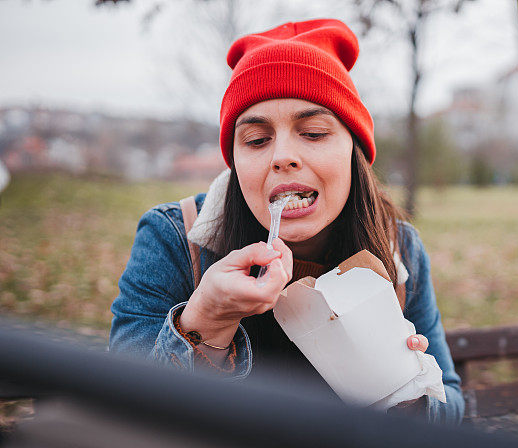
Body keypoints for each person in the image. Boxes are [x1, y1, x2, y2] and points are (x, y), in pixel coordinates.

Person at [109, 19, 463, 425]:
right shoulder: (173, 238)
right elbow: (126, 412)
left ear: (355, 152)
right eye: (257, 140)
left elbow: (450, 401)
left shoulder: (399, 246)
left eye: (312, 132)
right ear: (236, 161)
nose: (282, 156)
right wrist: (206, 320)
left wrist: (406, 395)